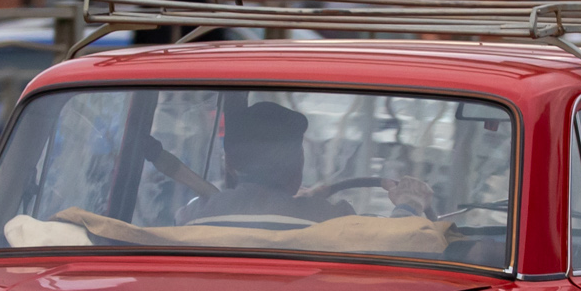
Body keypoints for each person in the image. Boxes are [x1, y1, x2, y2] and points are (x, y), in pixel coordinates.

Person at [177, 101, 434, 225]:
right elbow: (403, 242)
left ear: (230, 163)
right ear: (297, 166)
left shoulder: (194, 215)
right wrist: (409, 206)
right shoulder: (331, 218)